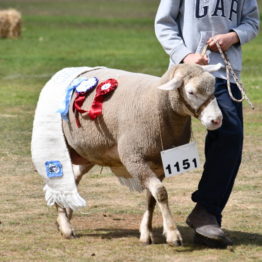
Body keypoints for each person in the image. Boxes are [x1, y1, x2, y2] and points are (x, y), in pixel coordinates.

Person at [155, 0, 259, 247]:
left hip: (224, 73)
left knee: (231, 135)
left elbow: (252, 22)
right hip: (186, 75)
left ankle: (207, 213)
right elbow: (164, 24)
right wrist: (185, 54)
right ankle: (150, 203)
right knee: (161, 138)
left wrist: (233, 37)